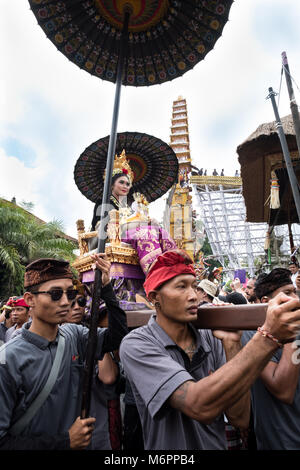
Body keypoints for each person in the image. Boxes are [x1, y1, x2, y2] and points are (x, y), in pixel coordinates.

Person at [120, 249, 300, 450]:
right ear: (155, 297)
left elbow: (239, 418)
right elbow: (199, 405)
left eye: (194, 287)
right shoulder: (137, 344)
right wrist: (267, 337)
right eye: (181, 287)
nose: (193, 296)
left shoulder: (211, 336)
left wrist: (232, 344)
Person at [0, 255, 128, 450]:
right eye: (55, 294)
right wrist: (65, 441)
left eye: (70, 293)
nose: (65, 302)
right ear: (30, 299)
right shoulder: (8, 359)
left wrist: (107, 288)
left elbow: (116, 338)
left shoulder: (74, 334)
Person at [242, 268, 300, 450]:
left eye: (295, 292)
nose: (296, 299)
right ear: (266, 302)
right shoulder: (252, 333)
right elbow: (283, 390)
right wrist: (294, 333)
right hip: (280, 441)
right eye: (287, 293)